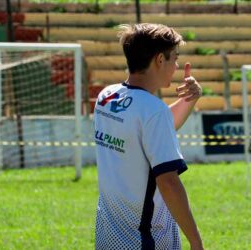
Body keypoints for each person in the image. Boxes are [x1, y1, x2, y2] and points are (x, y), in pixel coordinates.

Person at [94, 23, 204, 249]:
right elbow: (168, 182)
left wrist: (188, 99)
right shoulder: (153, 110)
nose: (176, 65)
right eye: (174, 58)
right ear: (159, 60)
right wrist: (196, 242)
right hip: (146, 238)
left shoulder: (107, 97)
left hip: (109, 235)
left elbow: (153, 131)